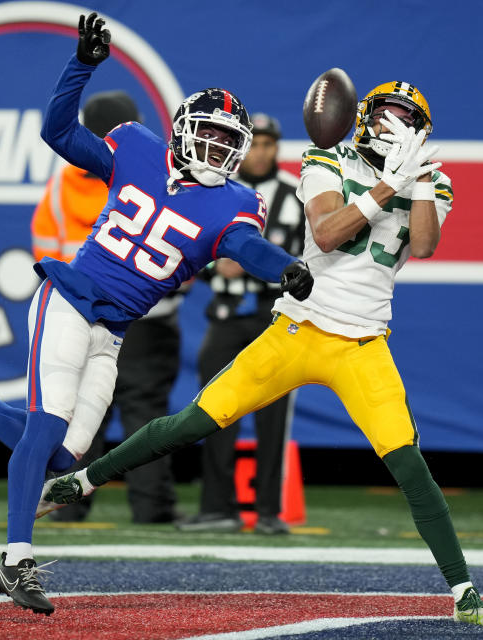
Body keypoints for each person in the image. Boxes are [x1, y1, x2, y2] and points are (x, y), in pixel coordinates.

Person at [41, 82, 483, 627]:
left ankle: (465, 595)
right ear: (364, 118)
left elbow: (426, 245)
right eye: (385, 115)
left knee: (408, 461)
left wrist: (421, 181)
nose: (392, 127)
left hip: (363, 343)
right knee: (191, 421)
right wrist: (387, 186)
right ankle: (81, 482)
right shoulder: (328, 158)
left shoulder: (431, 178)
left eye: (405, 121)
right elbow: (329, 231)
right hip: (298, 327)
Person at [0, 12, 312, 616]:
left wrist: (283, 267)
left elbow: (244, 247)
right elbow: (58, 132)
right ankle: (15, 560)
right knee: (45, 429)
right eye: (216, 136)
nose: (223, 150)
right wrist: (82, 66)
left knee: (66, 458)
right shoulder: (135, 147)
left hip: (115, 331)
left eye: (232, 142)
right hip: (69, 297)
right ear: (184, 130)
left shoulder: (235, 201)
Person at [32, 90, 181, 524]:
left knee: (76, 413)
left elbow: (42, 245)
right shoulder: (151, 172)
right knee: (145, 416)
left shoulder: (63, 184)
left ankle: (65, 509)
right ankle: (152, 510)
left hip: (78, 311)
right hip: (145, 317)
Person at [180, 113, 305, 535]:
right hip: (226, 316)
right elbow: (188, 245)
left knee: (272, 413)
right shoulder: (218, 191)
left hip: (275, 318)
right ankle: (218, 507)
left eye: (269, 145)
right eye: (255, 144)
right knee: (213, 408)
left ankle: (269, 511)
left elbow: (308, 258)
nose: (261, 153)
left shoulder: (297, 196)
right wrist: (216, 269)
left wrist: (248, 267)